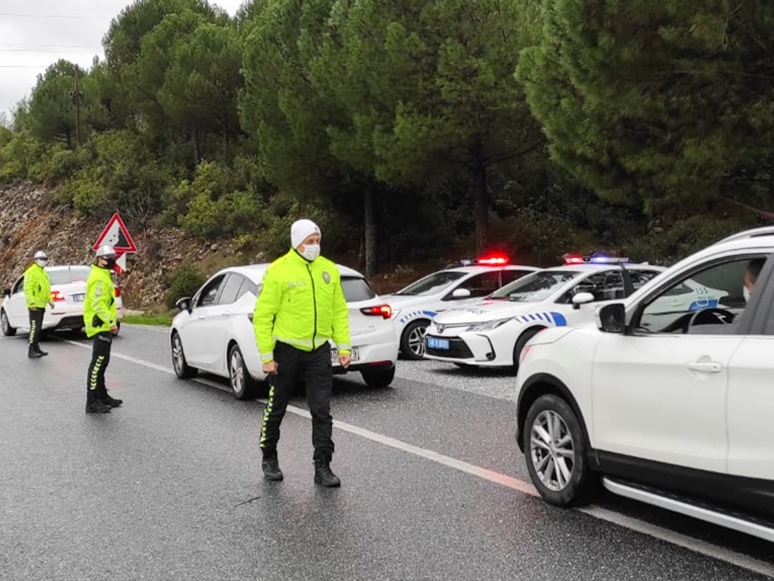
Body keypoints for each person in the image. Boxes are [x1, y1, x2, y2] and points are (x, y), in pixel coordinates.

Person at [253, 219, 351, 487]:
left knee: (322, 410)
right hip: (286, 351)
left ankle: (323, 466)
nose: (314, 246)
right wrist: (266, 357)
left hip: (318, 350)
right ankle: (269, 456)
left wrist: (344, 347)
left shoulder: (328, 270)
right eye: (309, 242)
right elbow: (263, 316)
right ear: (297, 242)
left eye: (317, 241)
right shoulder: (279, 271)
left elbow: (339, 312)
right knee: (277, 407)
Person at [83, 245, 122, 414]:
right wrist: (110, 322)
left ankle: (102, 395)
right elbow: (98, 304)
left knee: (103, 362)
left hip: (104, 324)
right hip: (100, 324)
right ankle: (91, 401)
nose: (112, 260)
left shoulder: (104, 275)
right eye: (109, 257)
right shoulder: (99, 278)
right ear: (100, 259)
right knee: (97, 363)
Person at [24, 250, 52, 358]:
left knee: (38, 328)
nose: (43, 261)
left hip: (41, 305)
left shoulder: (43, 272)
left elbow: (46, 289)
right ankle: (31, 349)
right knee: (34, 328)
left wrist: (50, 300)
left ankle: (36, 347)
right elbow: (28, 289)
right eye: (41, 259)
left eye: (45, 259)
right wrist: (31, 303)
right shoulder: (31, 272)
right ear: (35, 260)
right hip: (34, 306)